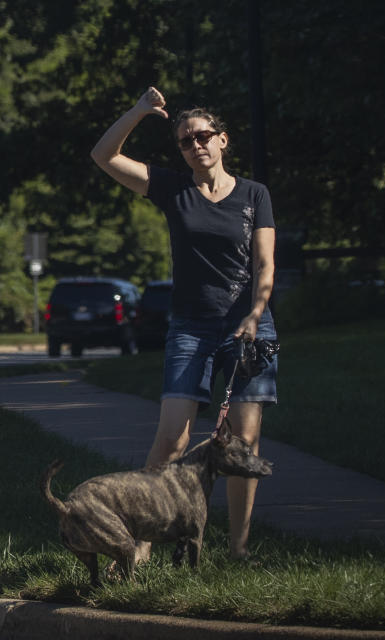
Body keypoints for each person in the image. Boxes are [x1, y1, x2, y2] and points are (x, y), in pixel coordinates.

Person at [90, 86, 278, 561]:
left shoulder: (255, 194)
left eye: (203, 136)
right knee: (172, 435)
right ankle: (142, 549)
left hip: (246, 327)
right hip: (191, 328)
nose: (195, 145)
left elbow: (265, 265)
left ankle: (237, 549)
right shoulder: (173, 189)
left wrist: (256, 314)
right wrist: (137, 111)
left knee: (243, 441)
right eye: (185, 140)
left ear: (223, 140)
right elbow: (103, 155)